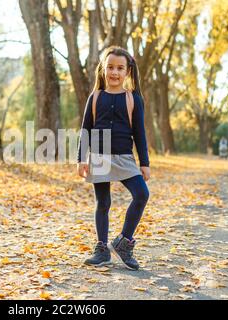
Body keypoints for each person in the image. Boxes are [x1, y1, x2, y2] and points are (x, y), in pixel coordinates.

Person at [76, 46, 150, 271]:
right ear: (103, 69)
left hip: (124, 157)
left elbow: (139, 132)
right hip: (99, 156)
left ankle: (124, 242)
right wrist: (81, 158)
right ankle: (101, 249)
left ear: (127, 71)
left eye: (119, 68)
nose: (114, 73)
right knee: (103, 203)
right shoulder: (96, 96)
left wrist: (144, 162)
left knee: (141, 194)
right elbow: (85, 128)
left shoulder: (134, 98)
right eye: (110, 67)